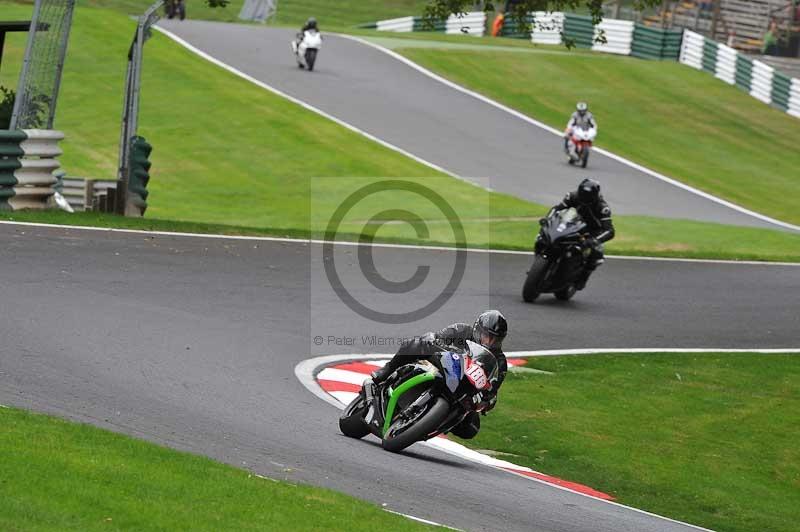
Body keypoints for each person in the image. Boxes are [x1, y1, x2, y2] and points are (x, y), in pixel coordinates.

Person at [370, 310, 509, 439]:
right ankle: (387, 370)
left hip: (464, 390)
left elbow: (493, 390)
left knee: (472, 428)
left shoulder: (499, 361)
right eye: (487, 336)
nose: (489, 342)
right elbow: (438, 338)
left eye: (495, 339)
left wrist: (486, 401)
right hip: (443, 366)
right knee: (416, 344)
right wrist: (434, 341)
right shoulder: (461, 330)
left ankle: (433, 423)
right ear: (478, 329)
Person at [544, 178, 614, 290]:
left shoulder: (602, 207)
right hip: (575, 224)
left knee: (596, 253)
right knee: (549, 234)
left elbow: (609, 231)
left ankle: (584, 276)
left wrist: (595, 240)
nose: (585, 199)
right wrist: (548, 219)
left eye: (588, 197)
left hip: (593, 231)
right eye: (583, 195)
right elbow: (557, 209)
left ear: (595, 195)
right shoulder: (572, 196)